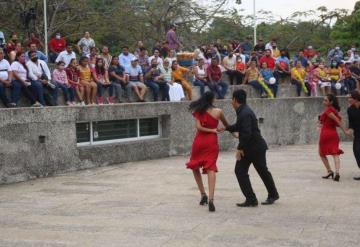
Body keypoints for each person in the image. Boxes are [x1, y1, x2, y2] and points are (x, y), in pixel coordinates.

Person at [223, 89, 279, 206]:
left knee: (260, 171)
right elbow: (239, 126)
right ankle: (252, 199)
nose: (231, 102)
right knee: (242, 171)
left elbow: (246, 133)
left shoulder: (244, 113)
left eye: (231, 100)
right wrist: (226, 128)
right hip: (250, 147)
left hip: (254, 148)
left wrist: (239, 149)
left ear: (234, 100)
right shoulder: (243, 111)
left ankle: (268, 195)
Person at [186, 91, 230, 212]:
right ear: (213, 99)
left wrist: (212, 130)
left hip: (199, 141)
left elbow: (199, 128)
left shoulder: (199, 111)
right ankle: (211, 199)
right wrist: (217, 130)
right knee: (211, 168)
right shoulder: (219, 111)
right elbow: (227, 125)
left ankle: (203, 194)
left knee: (195, 166)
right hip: (211, 142)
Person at [319, 94, 347, 182]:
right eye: (324, 100)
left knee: (321, 153)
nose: (323, 102)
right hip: (333, 134)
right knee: (335, 153)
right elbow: (337, 121)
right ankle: (337, 173)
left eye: (326, 100)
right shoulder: (334, 110)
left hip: (326, 134)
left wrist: (345, 131)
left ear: (331, 102)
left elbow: (337, 121)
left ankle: (330, 171)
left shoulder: (329, 110)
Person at [346, 91, 360, 180]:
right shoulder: (350, 109)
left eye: (350, 98)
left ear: (355, 98)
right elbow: (351, 123)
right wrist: (350, 130)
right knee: (357, 152)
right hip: (358, 134)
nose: (348, 99)